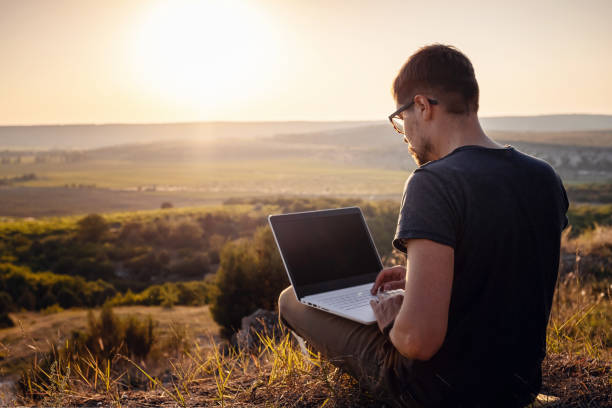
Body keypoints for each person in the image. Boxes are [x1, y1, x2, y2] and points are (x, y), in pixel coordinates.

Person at [278, 44, 569, 407]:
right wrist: (423, 277)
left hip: (437, 392)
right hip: (519, 384)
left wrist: (389, 320)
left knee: (291, 299)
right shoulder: (543, 176)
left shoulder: (433, 181)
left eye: (401, 120)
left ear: (422, 106)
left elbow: (417, 341)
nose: (406, 135)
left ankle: (332, 393)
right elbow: (506, 266)